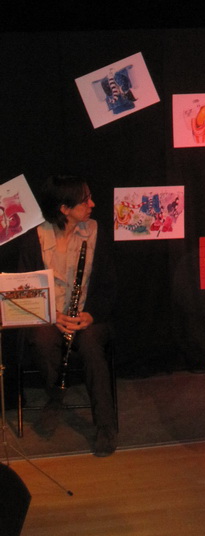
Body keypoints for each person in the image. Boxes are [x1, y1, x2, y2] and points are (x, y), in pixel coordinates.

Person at [18, 175, 118, 457]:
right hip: (50, 318)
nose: (92, 204)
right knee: (41, 339)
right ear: (64, 208)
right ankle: (56, 394)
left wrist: (90, 315)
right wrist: (52, 315)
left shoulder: (95, 232)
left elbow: (110, 286)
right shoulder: (35, 239)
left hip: (86, 317)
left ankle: (105, 427)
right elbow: (25, 293)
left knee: (91, 347)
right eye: (85, 200)